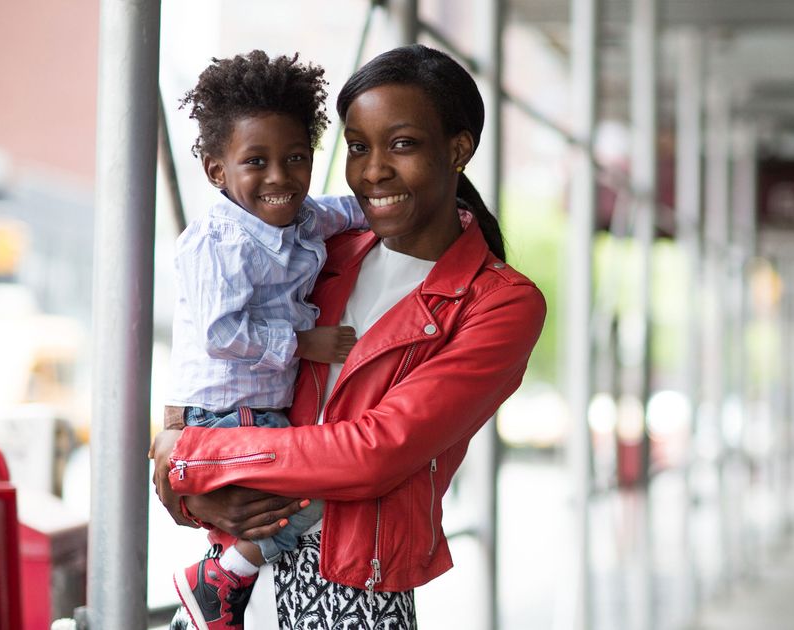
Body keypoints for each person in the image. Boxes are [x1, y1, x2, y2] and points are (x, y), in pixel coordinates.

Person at [152, 44, 546, 629]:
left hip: (353, 594)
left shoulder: (499, 303)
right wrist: (187, 486)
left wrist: (190, 458)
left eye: (403, 144)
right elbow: (213, 368)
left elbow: (374, 452)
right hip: (227, 590)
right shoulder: (318, 252)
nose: (373, 170)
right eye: (358, 147)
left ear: (458, 149)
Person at [165, 50, 369, 630]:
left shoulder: (302, 216)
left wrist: (430, 205)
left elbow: (354, 211)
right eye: (257, 161)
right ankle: (221, 578)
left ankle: (218, 585)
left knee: (284, 503)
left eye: (296, 158)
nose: (280, 176)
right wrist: (305, 342)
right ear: (216, 171)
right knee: (316, 496)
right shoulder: (218, 242)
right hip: (225, 414)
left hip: (262, 408)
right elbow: (220, 332)